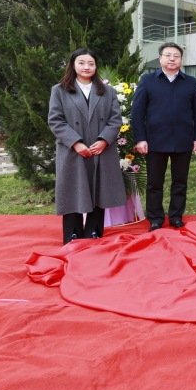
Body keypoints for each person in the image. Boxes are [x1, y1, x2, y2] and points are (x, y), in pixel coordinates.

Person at [48, 48, 128, 244]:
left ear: (96, 66)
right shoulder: (59, 90)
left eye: (91, 63)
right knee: (73, 188)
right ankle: (73, 232)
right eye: (81, 63)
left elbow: (115, 119)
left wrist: (104, 140)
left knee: (100, 188)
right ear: (73, 65)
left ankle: (94, 230)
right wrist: (75, 143)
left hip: (101, 148)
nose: (86, 67)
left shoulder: (107, 91)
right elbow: (55, 120)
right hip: (72, 149)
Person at [131, 42, 196, 231]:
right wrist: (140, 139)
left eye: (176, 56)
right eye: (168, 55)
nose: (172, 59)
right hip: (155, 140)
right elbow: (137, 113)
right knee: (154, 183)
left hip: (183, 140)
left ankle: (176, 217)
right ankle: (155, 219)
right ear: (160, 58)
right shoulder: (148, 80)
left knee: (180, 182)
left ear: (181, 59)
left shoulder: (190, 82)